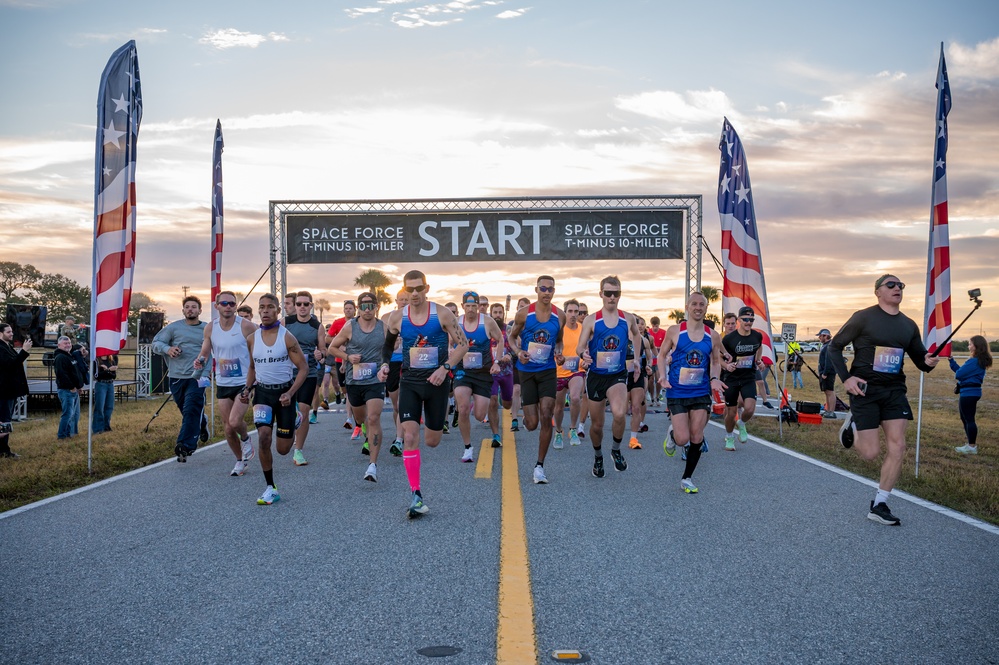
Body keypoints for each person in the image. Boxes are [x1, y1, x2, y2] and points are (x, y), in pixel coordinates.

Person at [829, 274, 940, 526]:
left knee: (898, 446)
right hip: (864, 391)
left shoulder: (909, 325)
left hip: (894, 391)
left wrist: (929, 361)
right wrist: (846, 378)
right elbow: (834, 347)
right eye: (890, 285)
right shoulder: (863, 317)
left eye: (901, 285)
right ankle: (853, 422)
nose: (897, 288)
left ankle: (880, 503)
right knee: (870, 453)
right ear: (877, 291)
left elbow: (921, 360)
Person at [378, 270, 468, 517]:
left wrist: (445, 368)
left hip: (437, 384)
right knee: (409, 435)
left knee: (432, 441)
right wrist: (385, 365)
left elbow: (463, 344)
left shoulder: (442, 314)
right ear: (405, 290)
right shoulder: (397, 318)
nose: (414, 293)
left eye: (419, 288)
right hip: (410, 382)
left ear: (427, 288)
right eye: (410, 289)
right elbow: (387, 347)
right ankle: (415, 494)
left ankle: (433, 424)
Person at [241, 293, 309, 505]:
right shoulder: (251, 339)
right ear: (259, 311)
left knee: (282, 449)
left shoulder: (286, 337)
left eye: (271, 307)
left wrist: (290, 393)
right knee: (263, 437)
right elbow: (252, 367)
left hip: (285, 395)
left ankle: (295, 417)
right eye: (262, 307)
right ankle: (270, 487)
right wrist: (247, 388)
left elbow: (303, 369)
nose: (266, 310)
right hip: (262, 393)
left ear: (278, 311)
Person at [657, 292, 724, 494]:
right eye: (694, 304)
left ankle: (687, 478)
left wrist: (714, 379)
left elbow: (715, 361)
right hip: (677, 391)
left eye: (701, 304)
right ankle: (672, 434)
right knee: (682, 439)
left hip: (701, 392)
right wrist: (662, 376)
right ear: (687, 306)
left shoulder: (713, 335)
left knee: (697, 437)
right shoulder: (675, 331)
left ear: (705, 308)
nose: (698, 307)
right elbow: (661, 356)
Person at [577, 276, 641, 477]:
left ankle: (615, 449)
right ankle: (598, 456)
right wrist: (583, 354)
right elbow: (580, 345)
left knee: (620, 413)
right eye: (608, 293)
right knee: (597, 425)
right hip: (596, 375)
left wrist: (637, 359)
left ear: (620, 295)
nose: (612, 297)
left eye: (616, 293)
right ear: (601, 294)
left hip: (617, 375)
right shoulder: (591, 320)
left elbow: (637, 335)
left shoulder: (627, 318)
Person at [193, 290, 258, 476]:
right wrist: (200, 361)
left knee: (235, 421)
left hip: (243, 381)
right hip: (223, 381)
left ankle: (246, 439)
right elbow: (205, 352)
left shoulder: (247, 326)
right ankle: (240, 461)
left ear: (236, 306)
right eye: (224, 303)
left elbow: (259, 349)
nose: (228, 307)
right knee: (228, 428)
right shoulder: (210, 328)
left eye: (232, 303)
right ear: (216, 306)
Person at [509, 276, 565, 484]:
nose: (547, 292)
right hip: (526, 370)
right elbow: (512, 337)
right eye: (543, 288)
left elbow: (559, 341)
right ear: (536, 290)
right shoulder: (524, 314)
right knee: (532, 423)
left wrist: (559, 354)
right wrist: (517, 351)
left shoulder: (559, 316)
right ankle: (526, 420)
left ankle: (539, 466)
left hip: (548, 370)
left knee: (546, 414)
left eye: (550, 289)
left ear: (553, 291)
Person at [327, 291, 387, 481]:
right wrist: (347, 357)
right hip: (355, 381)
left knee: (374, 417)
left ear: (376, 307)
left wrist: (385, 365)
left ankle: (372, 465)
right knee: (361, 419)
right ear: (359, 308)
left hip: (375, 380)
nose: (367, 309)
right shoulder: (350, 326)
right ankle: (364, 434)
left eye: (371, 306)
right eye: (364, 306)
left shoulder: (383, 327)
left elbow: (390, 348)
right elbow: (332, 347)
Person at [152, 295, 210, 462]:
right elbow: (156, 343)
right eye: (187, 307)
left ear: (200, 310)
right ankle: (202, 423)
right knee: (186, 411)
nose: (190, 309)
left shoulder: (206, 328)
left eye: (194, 307)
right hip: (176, 376)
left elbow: (214, 349)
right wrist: (168, 349)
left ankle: (185, 446)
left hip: (198, 376)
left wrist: (208, 371)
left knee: (191, 408)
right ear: (183, 310)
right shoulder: (173, 328)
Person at [453, 291, 504, 461]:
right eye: (467, 306)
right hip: (463, 371)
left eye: (474, 306)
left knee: (480, 416)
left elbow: (500, 339)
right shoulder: (457, 322)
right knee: (463, 407)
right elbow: (448, 342)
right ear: (462, 307)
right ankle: (467, 447)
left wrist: (497, 361)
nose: (471, 309)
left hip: (483, 372)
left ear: (478, 307)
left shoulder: (487, 321)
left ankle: (476, 399)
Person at [284, 290, 326, 466]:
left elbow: (323, 351)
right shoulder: (285, 323)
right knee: (288, 412)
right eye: (299, 304)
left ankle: (298, 451)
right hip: (286, 373)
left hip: (308, 373)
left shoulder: (318, 326)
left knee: (303, 411)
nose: (302, 307)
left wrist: (320, 354)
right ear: (295, 306)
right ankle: (288, 437)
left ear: (311, 306)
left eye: (305, 304)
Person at [719, 306, 764, 451]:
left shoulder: (757, 336)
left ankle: (742, 424)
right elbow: (717, 358)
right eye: (745, 319)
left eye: (751, 319)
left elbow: (759, 347)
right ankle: (729, 436)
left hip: (748, 377)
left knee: (749, 409)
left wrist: (758, 360)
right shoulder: (729, 339)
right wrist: (726, 366)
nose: (748, 322)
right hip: (731, 379)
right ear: (739, 320)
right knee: (731, 413)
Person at [951, 335, 992, 455]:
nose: (968, 346)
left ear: (976, 346)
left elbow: (958, 374)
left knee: (968, 419)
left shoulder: (973, 361)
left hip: (968, 393)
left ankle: (972, 446)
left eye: (970, 344)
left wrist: (958, 371)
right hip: (972, 392)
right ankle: (970, 444)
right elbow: (961, 372)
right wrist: (951, 361)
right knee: (966, 419)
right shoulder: (978, 361)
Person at [553, 299, 585, 448]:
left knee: (575, 398)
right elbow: (552, 348)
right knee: (558, 407)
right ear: (565, 313)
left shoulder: (583, 329)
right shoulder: (558, 329)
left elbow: (587, 348)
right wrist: (557, 357)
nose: (573, 315)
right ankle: (558, 431)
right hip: (559, 372)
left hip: (577, 371)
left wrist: (586, 360)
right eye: (570, 311)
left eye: (576, 311)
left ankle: (573, 429)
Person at [383, 288, 410, 457]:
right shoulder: (387, 318)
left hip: (409, 362)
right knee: (396, 405)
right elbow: (383, 343)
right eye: (401, 299)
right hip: (392, 362)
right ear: (396, 301)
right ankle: (399, 432)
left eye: (406, 300)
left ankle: (400, 438)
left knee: (403, 402)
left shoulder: (416, 318)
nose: (404, 302)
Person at [0, 323, 31, 459]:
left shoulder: (7, 347)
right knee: (3, 421)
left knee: (6, 421)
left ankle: (4, 450)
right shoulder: (0, 348)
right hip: (3, 391)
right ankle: (3, 451)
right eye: (8, 332)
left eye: (11, 331)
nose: (11, 334)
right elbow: (11, 365)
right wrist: (24, 351)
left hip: (10, 391)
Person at [487, 302, 514, 447]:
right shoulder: (486, 329)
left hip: (506, 371)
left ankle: (505, 400)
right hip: (491, 372)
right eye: (495, 312)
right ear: (491, 314)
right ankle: (496, 435)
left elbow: (516, 347)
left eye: (500, 312)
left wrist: (509, 355)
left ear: (503, 314)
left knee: (507, 404)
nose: (497, 315)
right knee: (492, 401)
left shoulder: (509, 330)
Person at [508, 296, 532, 431]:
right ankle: (514, 420)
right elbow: (512, 342)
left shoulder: (533, 324)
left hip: (531, 360)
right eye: (521, 306)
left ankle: (527, 417)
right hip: (516, 359)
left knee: (528, 391)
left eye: (526, 307)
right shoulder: (512, 323)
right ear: (517, 308)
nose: (522, 309)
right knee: (516, 389)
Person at [53, 335, 83, 440]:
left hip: (74, 390)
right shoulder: (60, 357)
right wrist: (71, 387)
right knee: (67, 414)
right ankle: (62, 436)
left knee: (72, 415)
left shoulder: (69, 356)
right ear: (59, 345)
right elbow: (61, 375)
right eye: (65, 343)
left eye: (69, 343)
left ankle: (68, 434)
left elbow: (74, 373)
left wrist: (79, 386)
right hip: (66, 391)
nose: (68, 345)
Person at [91, 352, 118, 434]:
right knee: (100, 406)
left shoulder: (111, 360)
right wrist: (108, 370)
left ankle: (106, 426)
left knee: (109, 406)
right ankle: (98, 428)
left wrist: (107, 370)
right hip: (101, 384)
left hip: (110, 384)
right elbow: (97, 376)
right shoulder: (96, 360)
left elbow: (113, 375)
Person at [817, 328, 837, 418]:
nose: (819, 338)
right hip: (824, 372)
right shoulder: (825, 345)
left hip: (828, 373)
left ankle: (831, 411)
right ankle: (828, 410)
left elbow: (828, 361)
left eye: (820, 336)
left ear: (825, 336)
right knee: (826, 392)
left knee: (830, 392)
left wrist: (825, 373)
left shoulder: (829, 346)